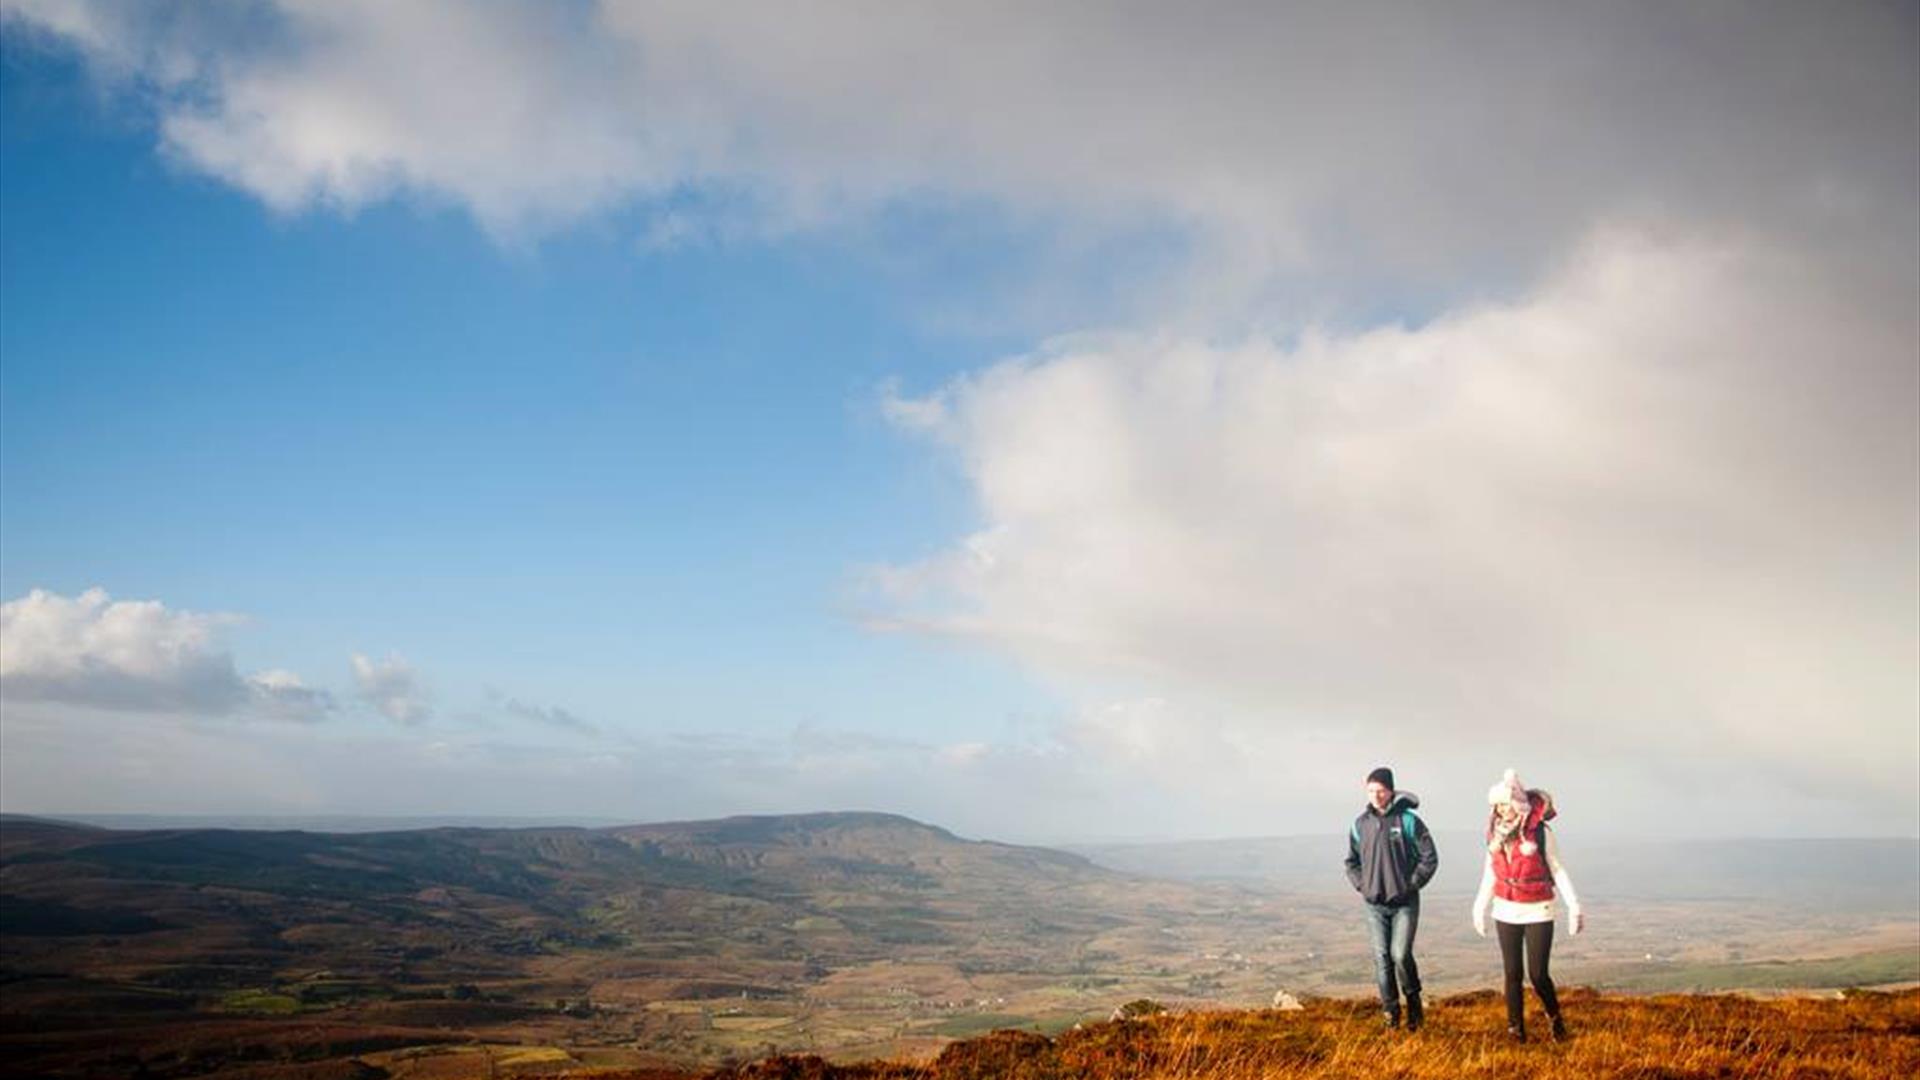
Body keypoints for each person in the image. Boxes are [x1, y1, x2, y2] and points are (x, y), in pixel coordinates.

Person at [1471, 768, 1583, 1042]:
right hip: (1505, 909)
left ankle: (1555, 1019)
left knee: (1537, 974)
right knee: (1512, 973)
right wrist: (1479, 906)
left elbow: (1557, 869)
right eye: (1496, 805)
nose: (1500, 810)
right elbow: (1490, 873)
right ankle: (1515, 1030)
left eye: (1505, 804)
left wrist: (1574, 906)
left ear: (1517, 804)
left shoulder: (1541, 833)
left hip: (1538, 908)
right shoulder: (1493, 835)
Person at [1344, 766, 1439, 1030]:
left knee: (1400, 954)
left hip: (1404, 903)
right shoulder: (1359, 825)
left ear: (1391, 791)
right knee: (1382, 957)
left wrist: (1411, 885)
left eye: (1381, 790)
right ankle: (1391, 1014)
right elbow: (1351, 861)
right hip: (1374, 904)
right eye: (1371, 790)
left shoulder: (1408, 821)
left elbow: (1429, 858)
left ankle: (1414, 1004)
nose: (1376, 795)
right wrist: (1362, 885)